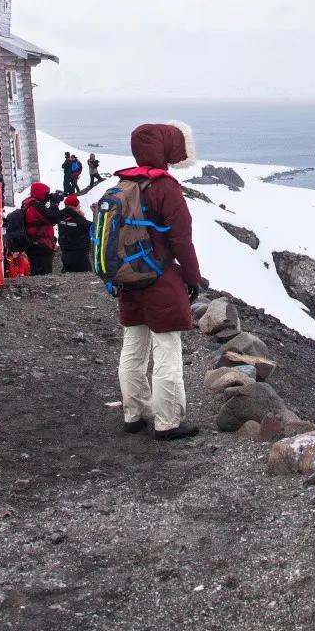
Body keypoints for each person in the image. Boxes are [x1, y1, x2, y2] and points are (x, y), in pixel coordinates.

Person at [114, 122, 208, 441]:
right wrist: (193, 278)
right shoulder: (165, 187)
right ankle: (167, 422)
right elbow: (181, 239)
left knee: (133, 347)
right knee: (166, 349)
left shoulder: (123, 183)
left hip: (129, 278)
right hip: (159, 279)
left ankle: (134, 414)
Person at [21, 182, 61, 275]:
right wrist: (54, 204)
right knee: (44, 274)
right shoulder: (36, 206)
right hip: (41, 245)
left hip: (33, 244)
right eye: (46, 193)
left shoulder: (28, 204)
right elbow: (54, 218)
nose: (47, 196)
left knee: (36, 273)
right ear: (41, 193)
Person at [57, 194, 92, 273]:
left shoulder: (60, 216)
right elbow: (91, 227)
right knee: (84, 274)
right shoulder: (78, 219)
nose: (79, 206)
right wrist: (82, 217)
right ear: (74, 207)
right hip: (79, 254)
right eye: (78, 205)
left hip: (65, 252)